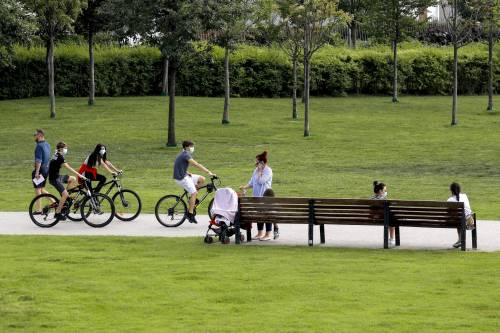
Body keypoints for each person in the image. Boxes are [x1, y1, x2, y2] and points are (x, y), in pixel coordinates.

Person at [173, 140, 215, 224]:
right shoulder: (185, 155)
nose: (192, 148)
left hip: (185, 175)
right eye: (191, 146)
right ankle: (190, 213)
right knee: (194, 193)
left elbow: (179, 164)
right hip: (181, 178)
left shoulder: (184, 154)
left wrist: (187, 172)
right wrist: (208, 172)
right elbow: (196, 164)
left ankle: (192, 199)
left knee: (201, 179)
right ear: (186, 147)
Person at [240, 151, 273, 241]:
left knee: (266, 215)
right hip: (256, 196)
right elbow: (252, 182)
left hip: (265, 196)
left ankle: (268, 234)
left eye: (257, 162)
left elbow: (261, 181)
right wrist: (245, 187)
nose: (256, 163)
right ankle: (260, 233)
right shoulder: (256, 170)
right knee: (259, 214)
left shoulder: (268, 170)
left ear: (262, 162)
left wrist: (260, 171)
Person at [48, 142, 86, 220]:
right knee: (65, 194)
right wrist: (80, 175)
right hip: (54, 179)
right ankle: (57, 213)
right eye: (65, 148)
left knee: (72, 179)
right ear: (61, 149)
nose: (66, 150)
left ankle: (66, 198)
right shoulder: (60, 157)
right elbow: (68, 167)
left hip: (57, 176)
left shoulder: (56, 154)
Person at [447, 182, 474, 248]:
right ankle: (460, 240)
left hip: (458, 221)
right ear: (459, 189)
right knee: (459, 218)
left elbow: (448, 212)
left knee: (457, 219)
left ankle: (460, 240)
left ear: (451, 190)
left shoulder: (450, 200)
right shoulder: (464, 196)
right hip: (470, 221)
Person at [32, 129, 51, 212]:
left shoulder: (39, 146)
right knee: (42, 189)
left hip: (40, 170)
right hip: (46, 169)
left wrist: (36, 172)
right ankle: (55, 202)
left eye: (35, 135)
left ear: (40, 135)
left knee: (38, 189)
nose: (34, 136)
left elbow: (38, 161)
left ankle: (38, 209)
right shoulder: (47, 144)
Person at [371, 181, 394, 246]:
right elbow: (385, 194)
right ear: (380, 191)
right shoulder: (383, 198)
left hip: (374, 217)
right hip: (383, 217)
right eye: (385, 190)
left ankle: (391, 239)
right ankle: (392, 238)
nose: (386, 191)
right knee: (392, 220)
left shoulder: (371, 198)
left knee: (390, 217)